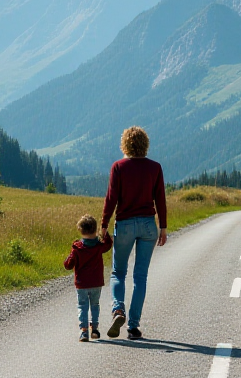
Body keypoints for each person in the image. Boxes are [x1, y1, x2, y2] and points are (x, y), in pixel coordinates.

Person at [101, 126, 167, 340]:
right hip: (148, 225)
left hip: (125, 224)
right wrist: (163, 227)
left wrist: (103, 225)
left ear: (125, 144)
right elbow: (160, 199)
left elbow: (111, 198)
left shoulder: (118, 167)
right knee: (140, 276)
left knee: (118, 273)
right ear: (145, 144)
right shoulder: (155, 167)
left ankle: (118, 309)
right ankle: (133, 326)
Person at [63, 214, 113, 342]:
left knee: (82, 305)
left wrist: (70, 256)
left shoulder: (77, 248)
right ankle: (94, 328)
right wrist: (105, 233)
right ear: (95, 230)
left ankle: (84, 331)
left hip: (82, 283)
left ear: (81, 230)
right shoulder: (98, 246)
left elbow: (68, 265)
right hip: (96, 282)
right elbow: (108, 244)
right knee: (95, 304)